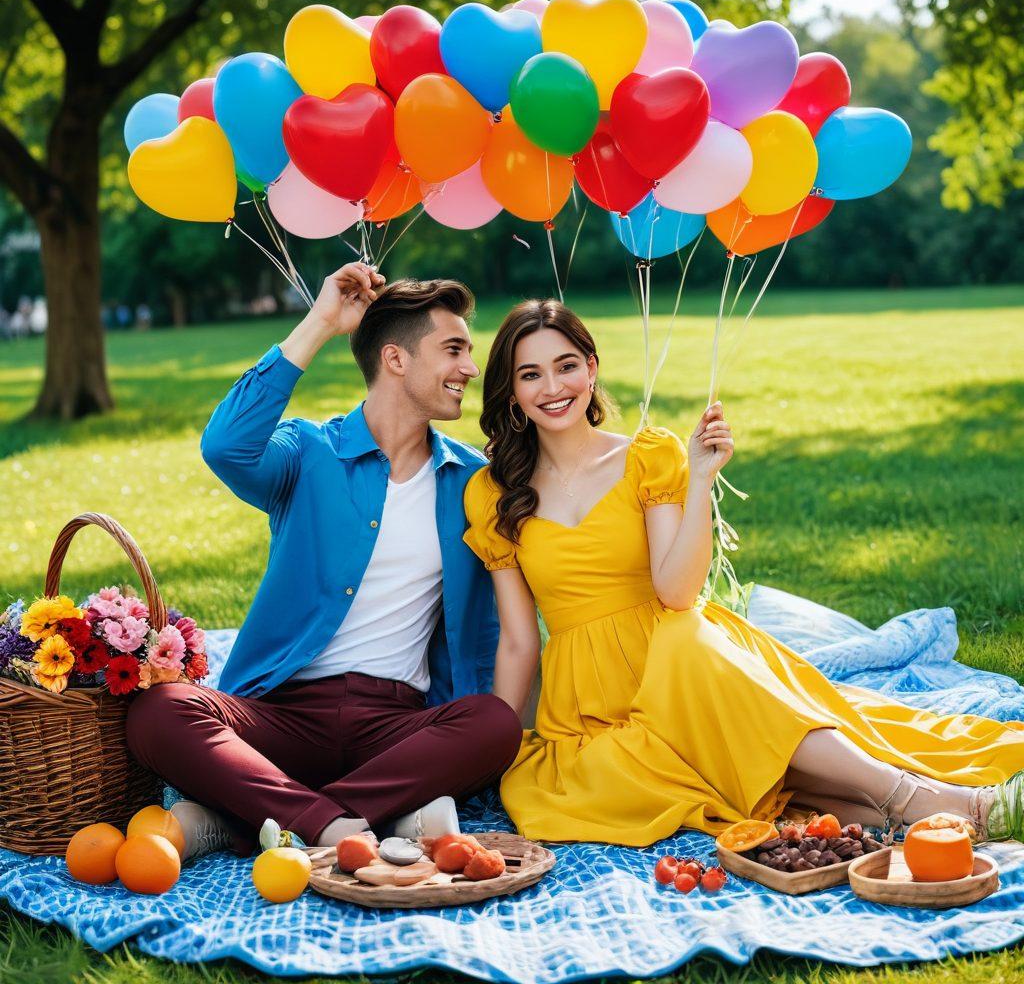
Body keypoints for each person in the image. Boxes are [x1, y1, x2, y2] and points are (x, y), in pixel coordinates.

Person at [463, 299, 1024, 847]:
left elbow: (676, 593)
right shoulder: (494, 496)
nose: (553, 388)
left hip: (682, 655)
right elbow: (518, 641)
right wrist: (496, 742)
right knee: (734, 771)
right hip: (591, 704)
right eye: (530, 374)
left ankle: (929, 802)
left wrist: (701, 481)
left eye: (565, 366)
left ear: (591, 367)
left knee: (694, 655)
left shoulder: (647, 456)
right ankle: (924, 814)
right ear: (511, 393)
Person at [127, 263, 521, 860]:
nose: (470, 367)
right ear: (396, 360)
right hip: (283, 719)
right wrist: (320, 322)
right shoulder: (309, 451)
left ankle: (251, 821)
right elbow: (226, 446)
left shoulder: (471, 482)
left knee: (494, 723)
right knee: (159, 711)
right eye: (454, 349)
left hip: (396, 730)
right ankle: (356, 819)